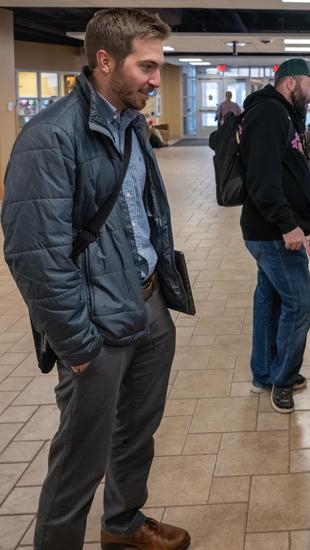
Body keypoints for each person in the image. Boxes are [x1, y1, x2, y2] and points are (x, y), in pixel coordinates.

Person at [1, 9, 193, 549]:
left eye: (160, 65)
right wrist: (77, 344)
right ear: (105, 61)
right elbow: (34, 254)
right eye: (147, 66)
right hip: (95, 324)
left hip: (149, 306)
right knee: (80, 458)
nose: (157, 79)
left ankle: (124, 525)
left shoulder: (132, 124)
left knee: (136, 434)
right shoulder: (50, 138)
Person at [239, 58, 310, 413]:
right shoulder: (269, 115)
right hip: (276, 234)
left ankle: (263, 374)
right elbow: (262, 182)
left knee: (270, 299)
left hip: (272, 231)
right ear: (290, 83)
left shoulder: (282, 114)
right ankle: (283, 378)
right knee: (300, 302)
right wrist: (289, 225)